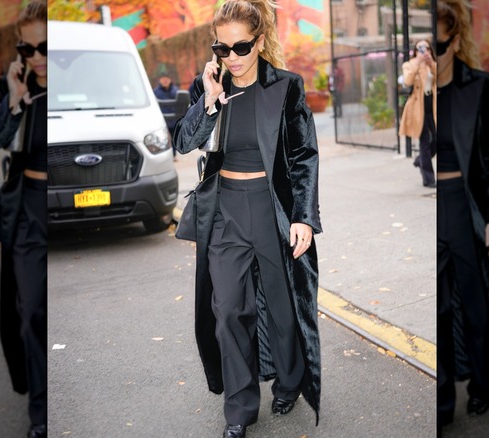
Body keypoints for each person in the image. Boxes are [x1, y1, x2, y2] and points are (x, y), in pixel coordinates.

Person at [172, 1, 321, 437]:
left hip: (271, 207)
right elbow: (183, 141)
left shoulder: (286, 87)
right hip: (225, 210)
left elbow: (304, 156)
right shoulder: (209, 85)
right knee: (228, 308)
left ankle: (290, 380)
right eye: (222, 47)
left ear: (259, 41)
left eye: (241, 46)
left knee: (282, 304)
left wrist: (304, 217)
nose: (232, 56)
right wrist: (210, 102)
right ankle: (239, 410)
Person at [435, 0, 489, 433]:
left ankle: (484, 385)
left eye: (439, 41)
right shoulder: (418, 90)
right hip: (430, 209)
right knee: (439, 311)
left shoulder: (481, 87)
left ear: (456, 37)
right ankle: (443, 402)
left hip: (466, 207)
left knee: (477, 305)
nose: (431, 51)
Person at [0, 1, 48, 437]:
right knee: (32, 312)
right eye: (27, 47)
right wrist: (14, 99)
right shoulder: (24, 95)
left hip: (59, 206)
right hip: (27, 211)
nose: (36, 56)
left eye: (45, 47)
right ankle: (41, 412)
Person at [399, 39, 437, 188]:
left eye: (426, 48)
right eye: (420, 48)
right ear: (415, 50)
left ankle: (419, 160)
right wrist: (417, 62)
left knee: (437, 140)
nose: (423, 51)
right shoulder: (409, 64)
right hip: (417, 107)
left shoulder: (432, 64)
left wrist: (431, 63)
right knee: (425, 142)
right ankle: (429, 179)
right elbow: (407, 81)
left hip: (432, 105)